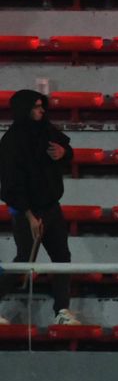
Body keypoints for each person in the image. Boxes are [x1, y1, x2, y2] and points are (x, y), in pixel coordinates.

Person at [0, 89, 78, 325]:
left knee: (62, 257)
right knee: (24, 259)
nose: (41, 110)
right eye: (35, 106)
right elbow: (11, 184)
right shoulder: (11, 142)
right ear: (24, 109)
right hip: (26, 211)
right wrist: (30, 215)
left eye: (41, 105)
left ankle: (62, 310)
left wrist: (64, 153)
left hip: (51, 206)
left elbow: (68, 151)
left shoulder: (47, 130)